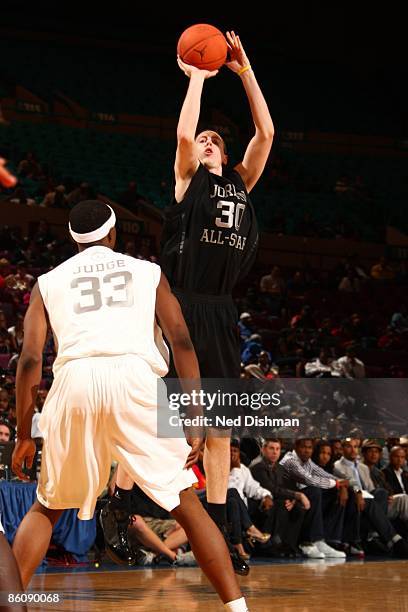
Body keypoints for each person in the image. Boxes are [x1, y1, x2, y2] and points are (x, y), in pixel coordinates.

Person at [11, 200, 247, 611]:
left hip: (75, 381)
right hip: (136, 380)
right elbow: (182, 341)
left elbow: (30, 360)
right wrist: (194, 414)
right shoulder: (148, 272)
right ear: (114, 233)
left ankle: (8, 602)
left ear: (73, 239)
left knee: (46, 506)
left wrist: (24, 434)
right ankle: (237, 608)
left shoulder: (47, 282)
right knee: (186, 503)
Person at [103, 30, 274, 578]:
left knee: (219, 425)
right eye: (201, 140)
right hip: (176, 305)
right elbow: (181, 131)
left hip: (221, 310)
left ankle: (221, 527)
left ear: (225, 153)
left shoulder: (242, 184)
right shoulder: (187, 182)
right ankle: (118, 506)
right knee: (158, 414)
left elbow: (266, 132)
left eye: (213, 140)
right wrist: (199, 78)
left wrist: (244, 71)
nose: (204, 141)